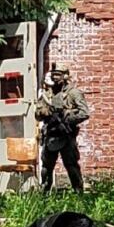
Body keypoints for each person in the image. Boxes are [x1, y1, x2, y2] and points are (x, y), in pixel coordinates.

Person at [35, 63, 89, 192]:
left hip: (66, 135)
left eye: (58, 75)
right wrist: (45, 113)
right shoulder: (47, 94)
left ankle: (78, 192)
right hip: (51, 135)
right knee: (46, 167)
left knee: (71, 165)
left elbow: (84, 113)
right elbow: (38, 115)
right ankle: (44, 192)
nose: (55, 78)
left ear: (65, 76)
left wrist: (67, 117)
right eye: (53, 75)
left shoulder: (73, 93)